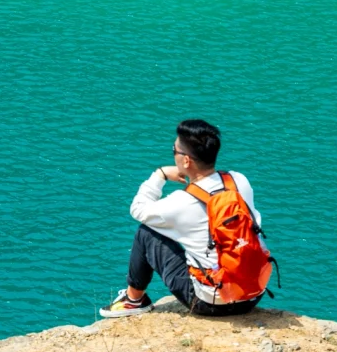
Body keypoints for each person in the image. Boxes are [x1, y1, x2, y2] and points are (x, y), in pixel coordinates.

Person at [99, 119, 268, 318]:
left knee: (146, 233)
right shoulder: (239, 180)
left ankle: (133, 300)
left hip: (211, 304)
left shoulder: (182, 202)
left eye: (174, 150)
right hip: (252, 294)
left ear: (186, 160)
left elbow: (138, 210)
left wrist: (159, 175)